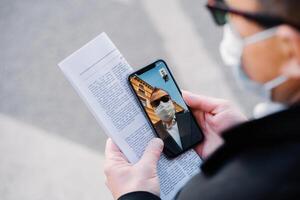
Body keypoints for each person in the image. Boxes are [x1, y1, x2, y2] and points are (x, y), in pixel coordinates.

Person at [104, 0, 300, 199]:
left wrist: (135, 195)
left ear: (290, 49)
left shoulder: (226, 192)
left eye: (228, 13)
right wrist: (245, 143)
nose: (229, 29)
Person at [150, 88, 203, 155]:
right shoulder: (153, 131)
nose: (162, 105)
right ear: (154, 109)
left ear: (172, 102)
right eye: (156, 103)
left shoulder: (190, 116)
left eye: (165, 99)